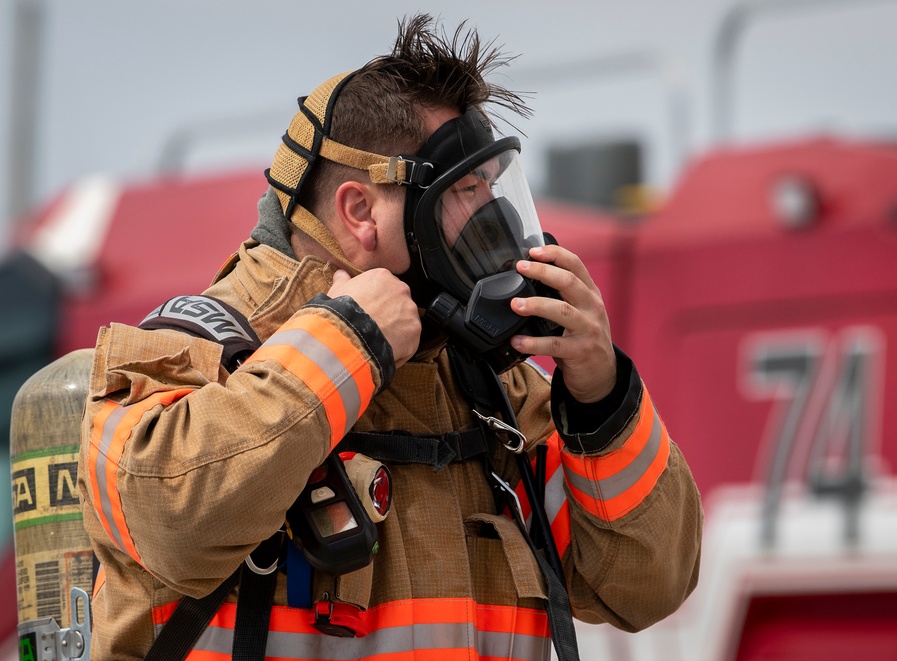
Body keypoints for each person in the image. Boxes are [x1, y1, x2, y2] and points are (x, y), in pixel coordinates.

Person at [78, 14, 703, 661]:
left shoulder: (493, 390)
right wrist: (347, 344)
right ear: (359, 211)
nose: (495, 220)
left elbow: (647, 588)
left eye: (495, 188)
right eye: (466, 190)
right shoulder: (192, 350)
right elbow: (170, 521)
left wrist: (600, 399)